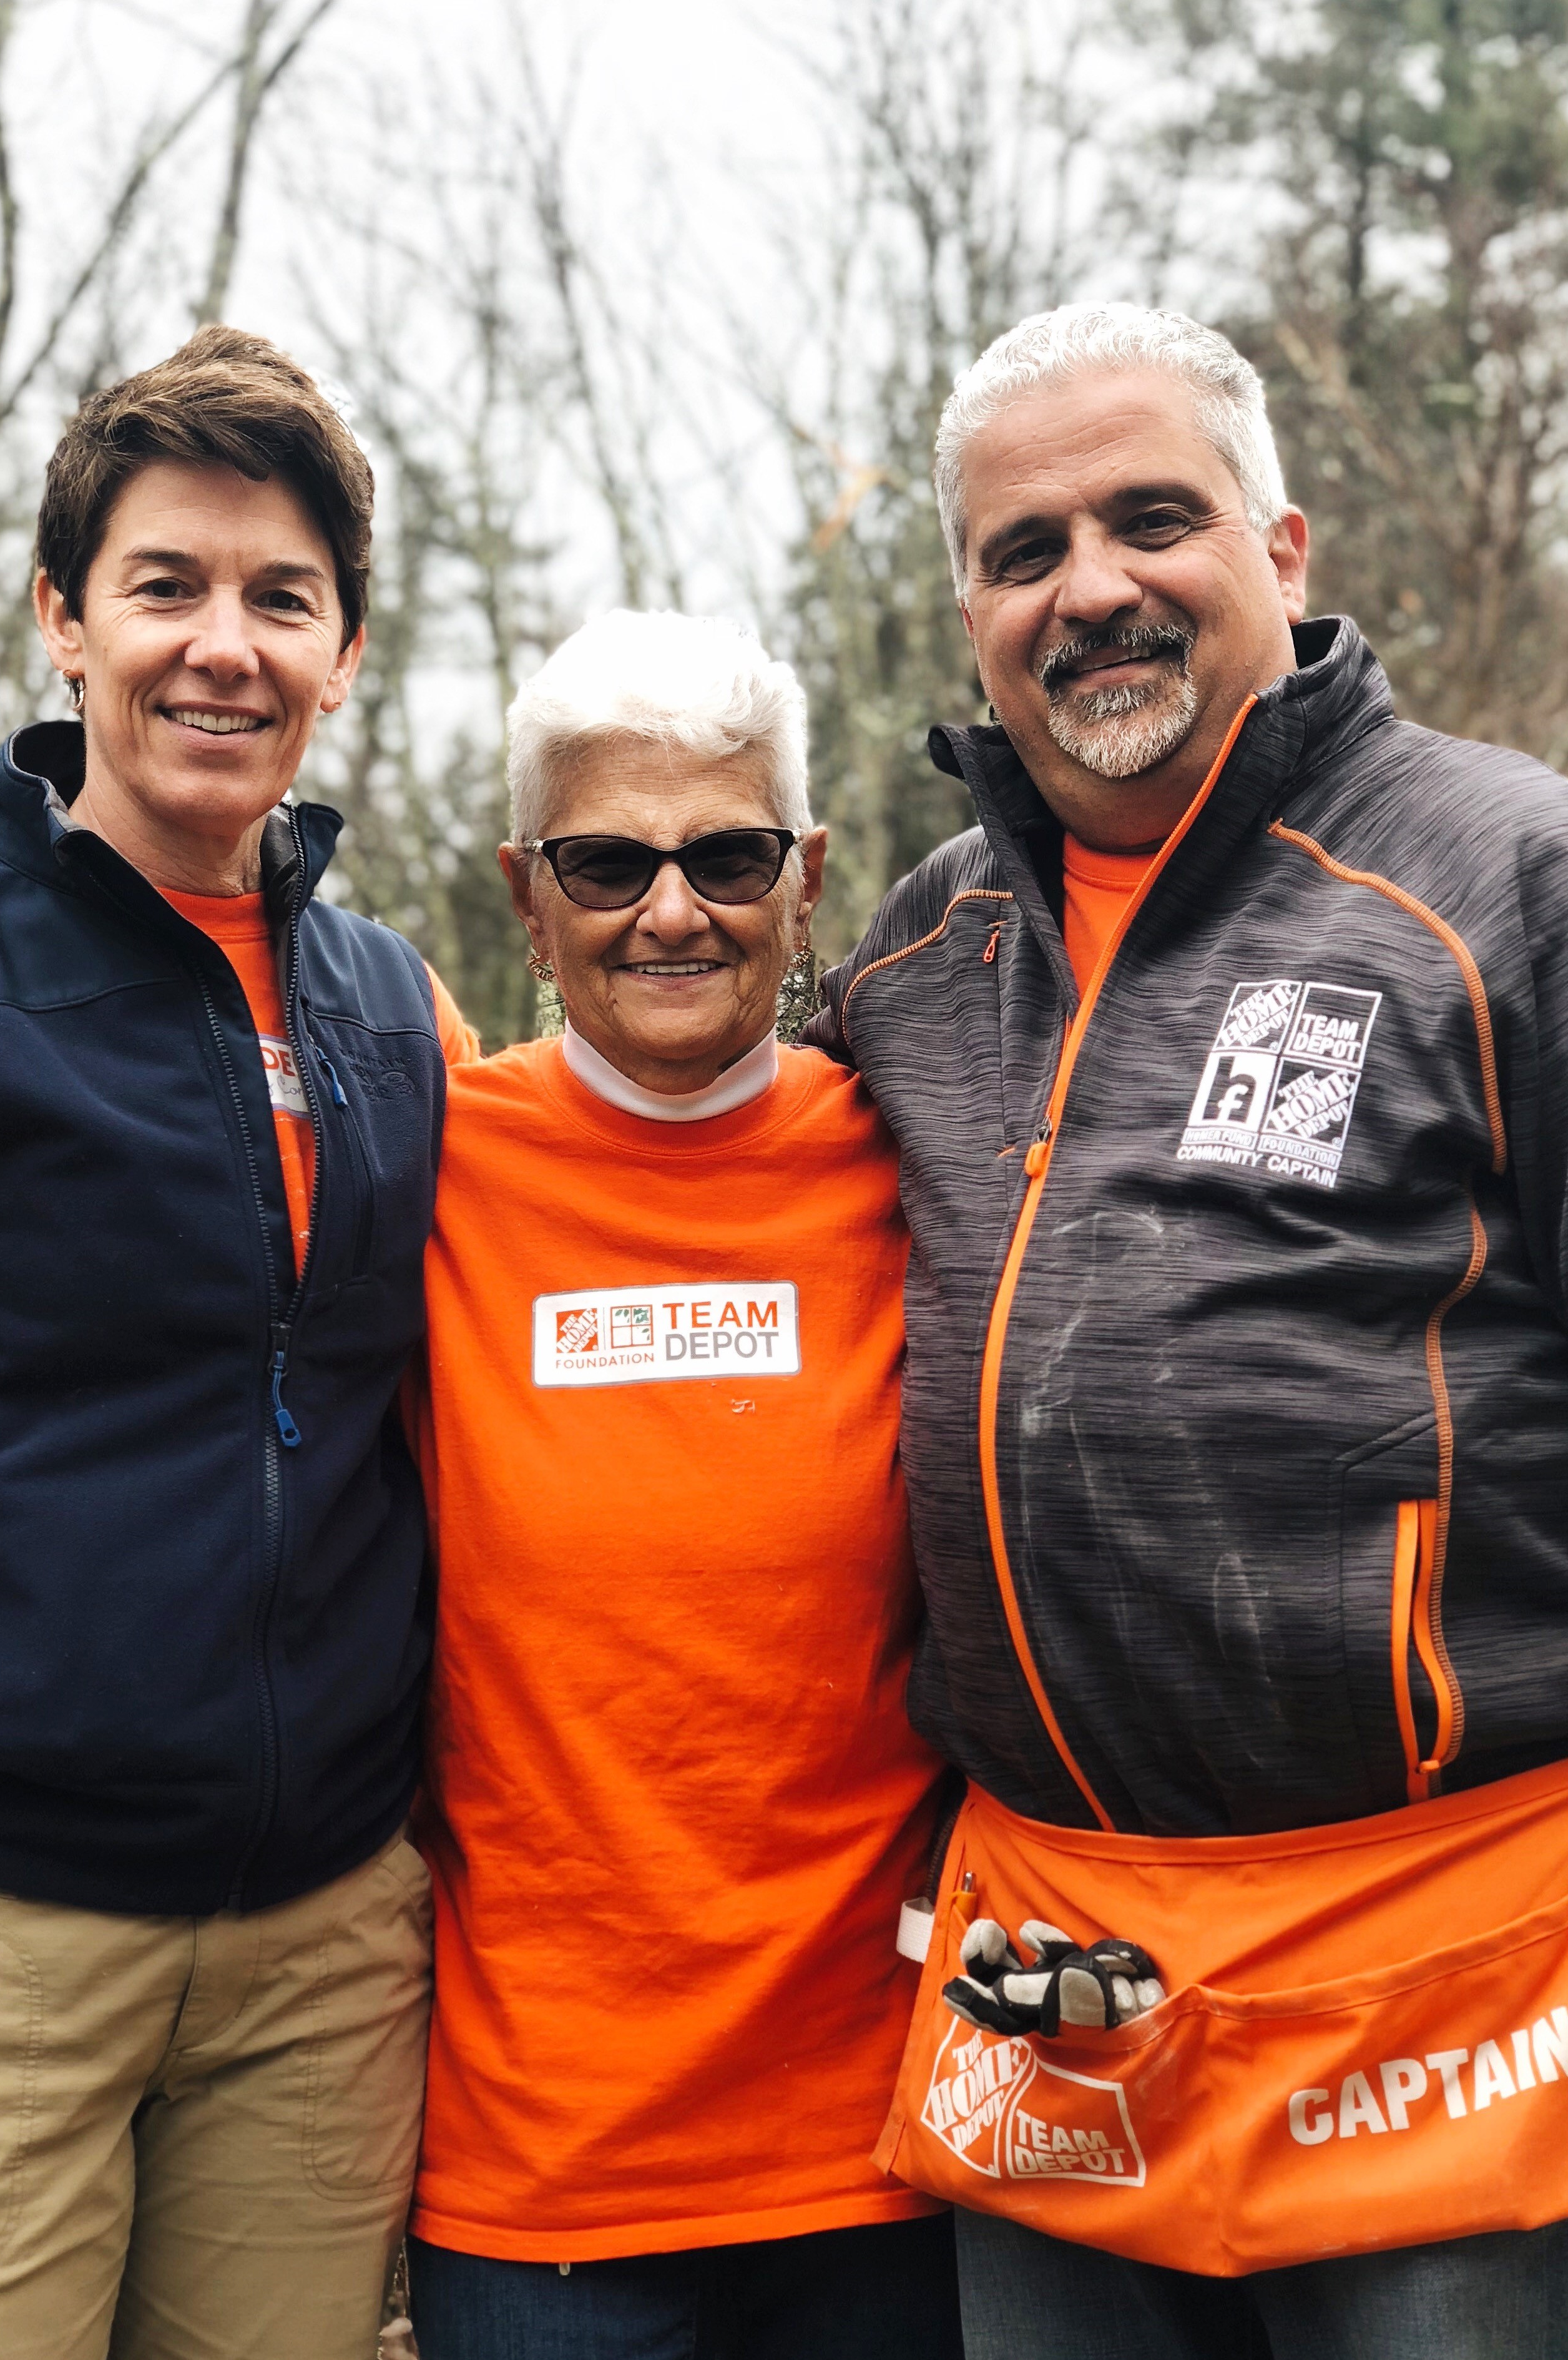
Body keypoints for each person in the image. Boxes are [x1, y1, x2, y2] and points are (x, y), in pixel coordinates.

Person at [810, 303, 1568, 2356]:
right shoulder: (913, 950)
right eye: (1023, 550)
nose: (1090, 590)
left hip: (1462, 1981)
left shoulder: (1520, 873)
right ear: (973, 609)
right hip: (1059, 1980)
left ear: (1285, 548)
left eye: (1150, 519)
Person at [0, 325, 473, 2359]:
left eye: (280, 598)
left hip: (321, 1953)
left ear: (347, 651)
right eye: (166, 585)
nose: (221, 645)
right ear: (66, 619)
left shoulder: (403, 1014)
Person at [399, 610, 964, 2360]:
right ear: (522, 888)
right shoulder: (420, 1166)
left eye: (725, 855)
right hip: (543, 2161)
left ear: (804, 881)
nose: (670, 909)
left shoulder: (922, 1159)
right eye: (605, 860)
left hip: (888, 2149)